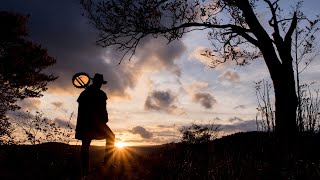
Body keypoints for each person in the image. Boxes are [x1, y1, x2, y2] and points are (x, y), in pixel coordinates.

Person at [75, 73, 115, 176]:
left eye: (100, 83)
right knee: (110, 137)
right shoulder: (92, 94)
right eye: (99, 82)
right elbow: (83, 109)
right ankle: (105, 164)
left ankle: (87, 170)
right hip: (90, 123)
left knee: (86, 145)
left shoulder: (89, 93)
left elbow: (102, 109)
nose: (100, 84)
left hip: (89, 123)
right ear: (95, 82)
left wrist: (104, 118)